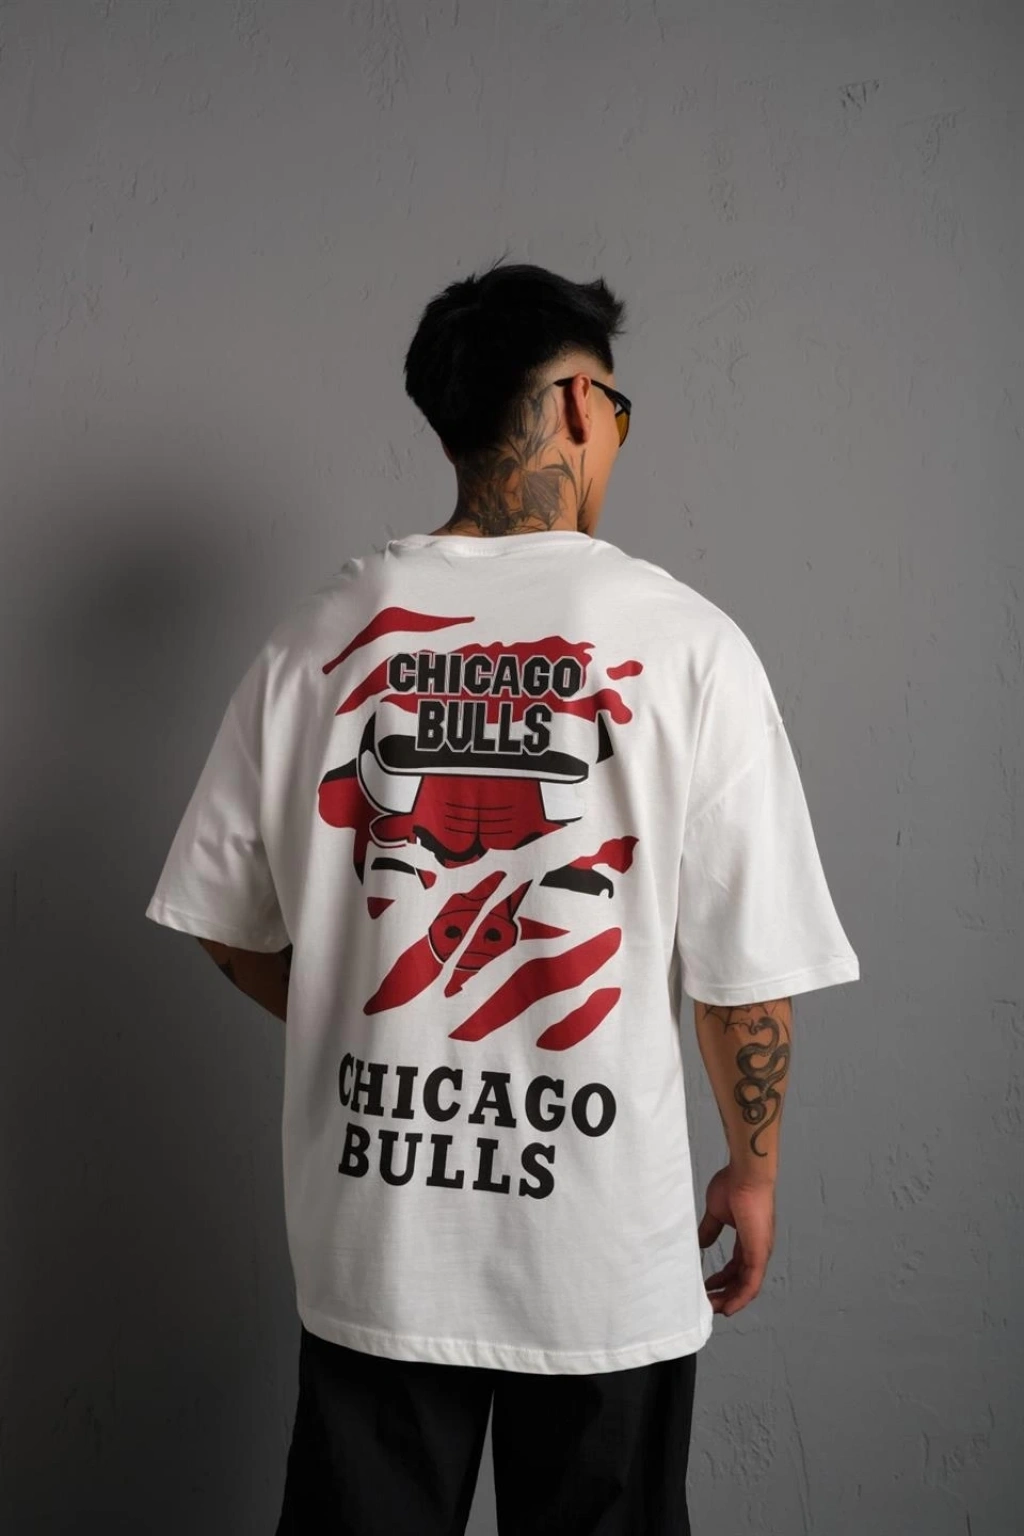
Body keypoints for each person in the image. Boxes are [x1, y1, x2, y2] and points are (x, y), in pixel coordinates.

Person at [145, 255, 860, 1535]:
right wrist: (751, 1174)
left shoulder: (323, 633)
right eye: (618, 412)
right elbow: (742, 979)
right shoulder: (687, 645)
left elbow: (221, 919)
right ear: (581, 403)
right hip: (603, 1254)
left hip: (378, 1241)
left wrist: (371, 1019)